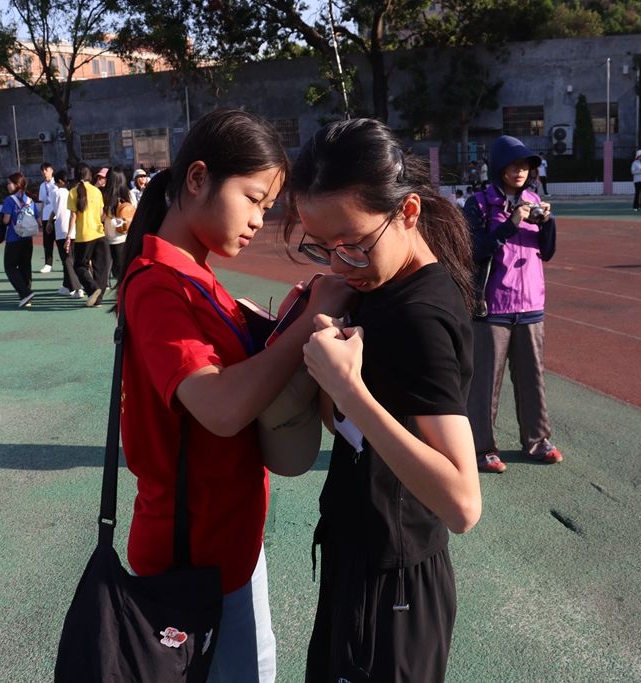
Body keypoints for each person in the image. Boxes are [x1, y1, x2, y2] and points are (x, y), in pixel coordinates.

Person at [117, 109, 352, 682]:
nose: (257, 221)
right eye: (252, 199)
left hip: (226, 539)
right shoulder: (158, 286)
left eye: (266, 207)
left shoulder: (197, 276)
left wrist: (285, 321)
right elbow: (220, 407)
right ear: (198, 179)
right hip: (191, 556)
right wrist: (310, 321)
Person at [283, 118, 482, 681]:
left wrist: (348, 387)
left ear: (408, 212)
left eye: (353, 244)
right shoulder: (379, 286)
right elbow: (350, 432)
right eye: (321, 247)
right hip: (361, 561)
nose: (338, 265)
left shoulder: (419, 316)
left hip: (393, 588)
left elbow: (462, 504)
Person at [463, 135, 560, 474]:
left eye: (526, 166)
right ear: (499, 167)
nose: (520, 171)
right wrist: (510, 224)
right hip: (493, 307)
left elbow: (547, 252)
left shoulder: (534, 200)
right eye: (514, 165)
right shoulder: (478, 204)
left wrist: (547, 224)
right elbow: (474, 251)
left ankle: (537, 441)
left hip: (531, 304)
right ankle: (481, 449)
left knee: (533, 378)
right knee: (485, 382)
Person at [66, 164, 110, 307]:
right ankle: (97, 299)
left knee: (79, 266)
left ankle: (92, 289)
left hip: (84, 236)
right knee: (101, 268)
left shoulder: (72, 192)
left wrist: (68, 236)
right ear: (89, 175)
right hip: (99, 233)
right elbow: (101, 214)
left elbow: (73, 216)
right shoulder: (96, 191)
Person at [0, 172, 36, 308]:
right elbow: (37, 219)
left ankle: (25, 293)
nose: (7, 185)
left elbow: (6, 220)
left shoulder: (9, 200)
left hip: (14, 238)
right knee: (25, 266)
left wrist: (0, 220)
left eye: (9, 183)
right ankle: (27, 295)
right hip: (28, 238)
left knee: (9, 266)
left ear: (16, 184)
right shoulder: (29, 200)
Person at [51, 170, 83, 298]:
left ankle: (77, 288)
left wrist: (49, 222)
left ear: (59, 181)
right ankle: (67, 286)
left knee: (67, 260)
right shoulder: (73, 192)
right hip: (73, 228)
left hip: (61, 229)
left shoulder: (56, 192)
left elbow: (54, 209)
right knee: (72, 257)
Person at [101, 167, 135, 283]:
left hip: (109, 239)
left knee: (114, 273)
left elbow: (101, 217)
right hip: (126, 237)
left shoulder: (105, 196)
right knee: (124, 274)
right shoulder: (129, 194)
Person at [38, 162, 57, 273]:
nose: (45, 172)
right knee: (47, 242)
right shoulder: (42, 186)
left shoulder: (57, 183)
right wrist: (40, 217)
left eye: (47, 170)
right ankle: (48, 264)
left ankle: (67, 263)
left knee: (60, 242)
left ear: (51, 170)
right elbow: (42, 203)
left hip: (57, 216)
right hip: (46, 217)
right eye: (43, 170)